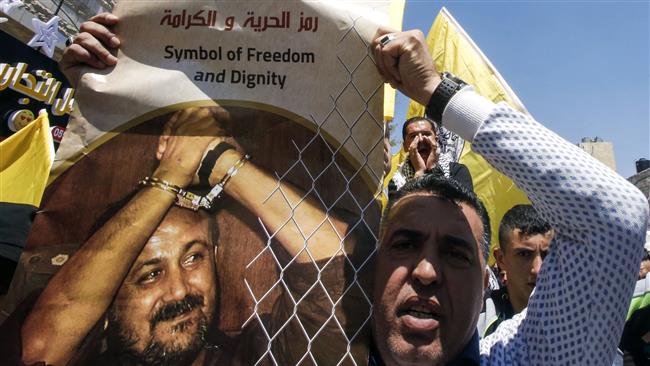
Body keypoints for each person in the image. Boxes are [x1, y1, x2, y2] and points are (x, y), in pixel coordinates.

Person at [370, 29, 648, 365]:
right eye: (404, 245)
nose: (427, 272)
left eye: (456, 253)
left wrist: (437, 91)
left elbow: (617, 215)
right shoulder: (314, 345)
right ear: (370, 266)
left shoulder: (516, 355)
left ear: (485, 282)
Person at [17, 106, 371, 365]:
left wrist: (219, 161)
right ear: (107, 294)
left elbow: (337, 256)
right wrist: (170, 175)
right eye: (149, 274)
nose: (180, 290)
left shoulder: (255, 357)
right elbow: (39, 348)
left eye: (193, 258)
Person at [482, 204, 553, 338]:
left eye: (547, 255)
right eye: (525, 255)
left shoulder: (574, 317)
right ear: (501, 259)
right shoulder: (478, 322)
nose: (538, 269)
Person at [388, 116, 472, 192]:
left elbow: (463, 204)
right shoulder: (396, 182)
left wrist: (433, 169)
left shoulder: (457, 171)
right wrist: (419, 172)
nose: (421, 139)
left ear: (436, 140)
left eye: (426, 134)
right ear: (406, 146)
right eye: (413, 136)